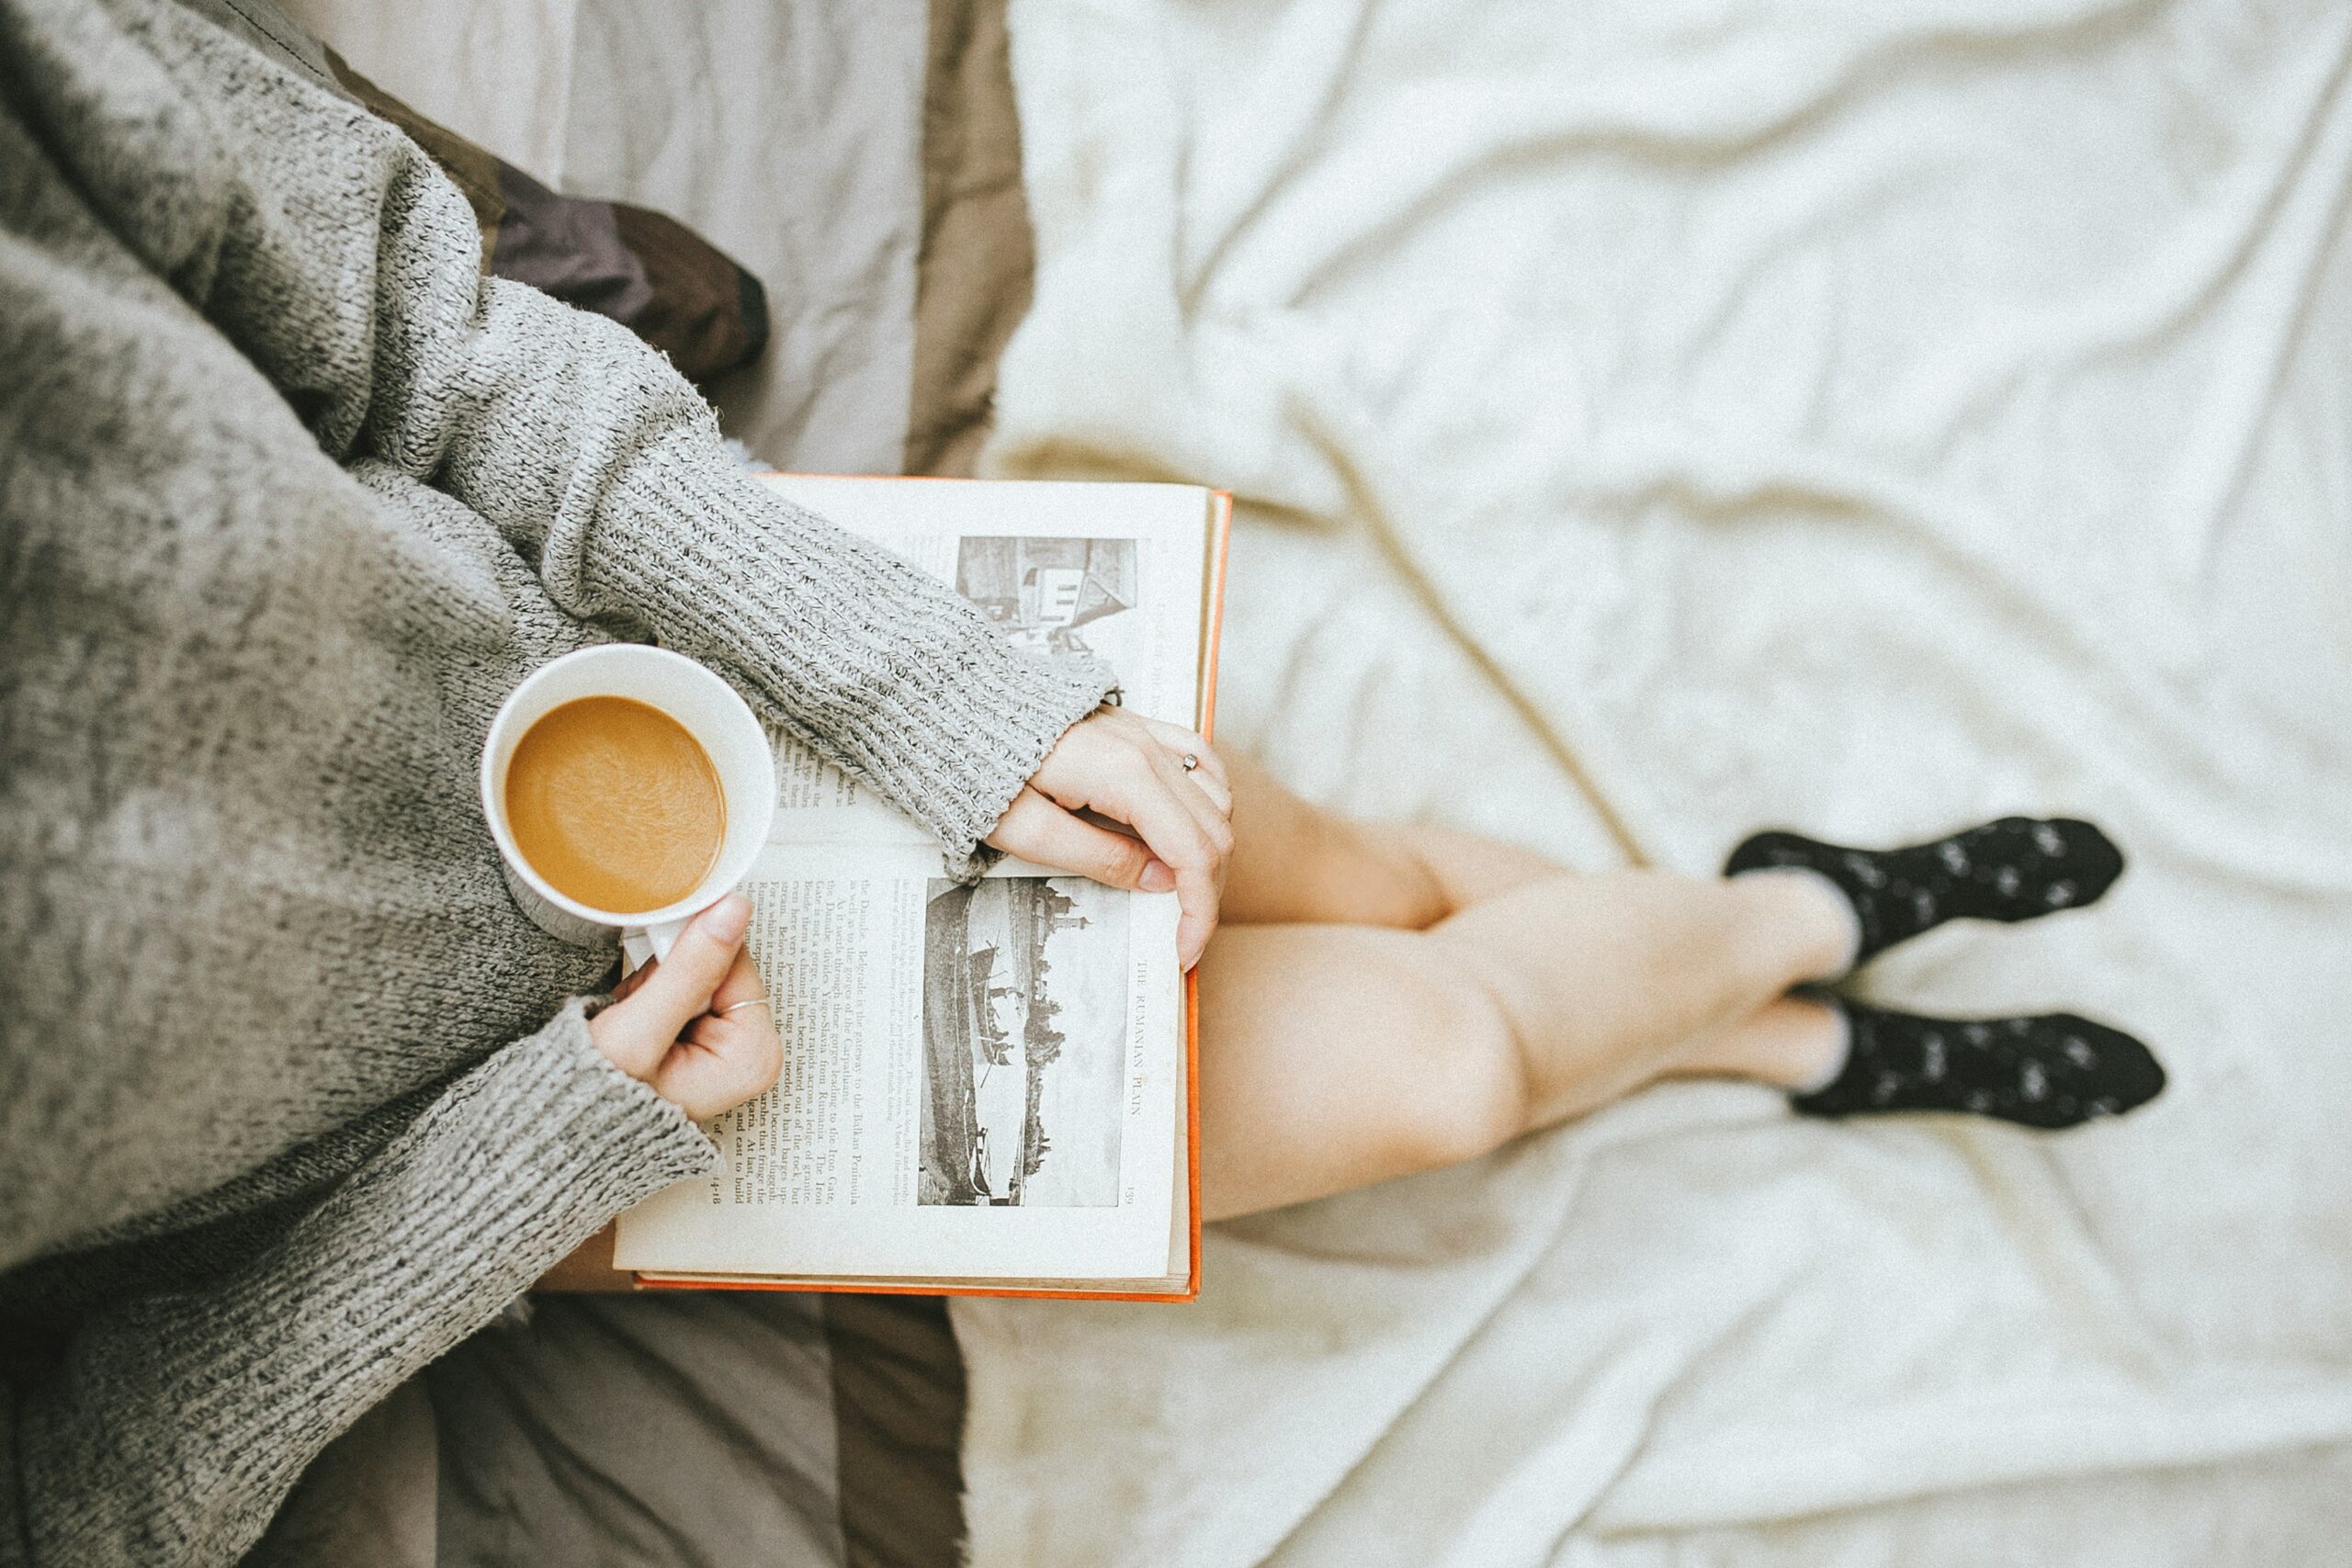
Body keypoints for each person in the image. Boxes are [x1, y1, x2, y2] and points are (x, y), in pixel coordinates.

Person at [0, 1, 2160, 1563]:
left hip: (676, 664)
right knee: (1444, 1066)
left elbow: (414, 315)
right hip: (535, 1118)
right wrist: (535, 1151)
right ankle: (1811, 926)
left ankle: (1777, 1041)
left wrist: (943, 692)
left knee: (1365, 874)